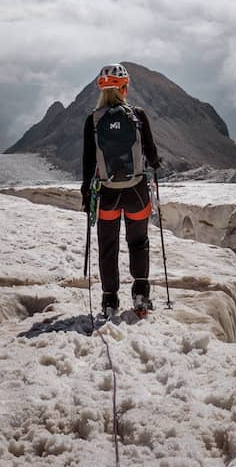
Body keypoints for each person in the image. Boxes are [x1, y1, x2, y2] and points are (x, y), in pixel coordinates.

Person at [81, 63, 162, 318]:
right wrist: (156, 164)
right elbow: (152, 154)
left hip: (107, 194)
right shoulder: (138, 115)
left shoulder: (92, 120)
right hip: (137, 191)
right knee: (138, 242)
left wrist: (86, 194)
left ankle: (109, 301)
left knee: (108, 246)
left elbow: (88, 161)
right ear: (124, 88)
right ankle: (140, 296)